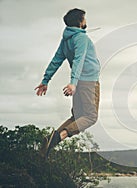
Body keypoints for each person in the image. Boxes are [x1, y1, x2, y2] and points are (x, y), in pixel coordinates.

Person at [35, 8, 101, 159]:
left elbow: (56, 60)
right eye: (84, 18)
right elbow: (79, 60)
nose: (86, 21)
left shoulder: (66, 39)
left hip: (79, 82)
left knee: (78, 117)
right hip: (88, 82)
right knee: (91, 117)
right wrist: (73, 83)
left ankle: (49, 141)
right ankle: (59, 136)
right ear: (79, 21)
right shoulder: (81, 39)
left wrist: (45, 80)